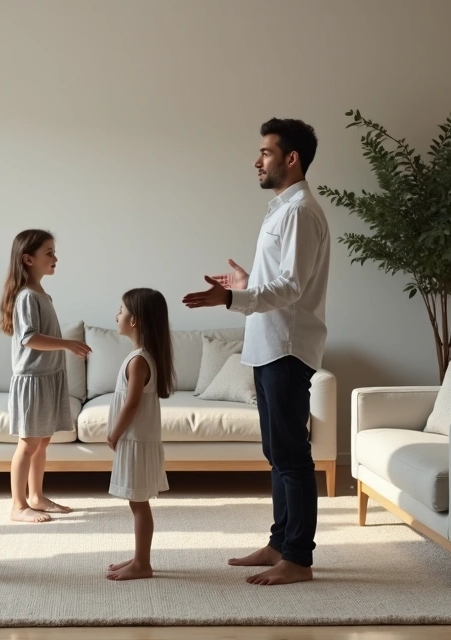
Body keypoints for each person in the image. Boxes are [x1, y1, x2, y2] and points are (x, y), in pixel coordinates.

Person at [183, 118, 330, 586]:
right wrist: (247, 286)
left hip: (287, 348)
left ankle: (299, 559)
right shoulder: (281, 209)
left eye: (265, 152)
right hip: (267, 345)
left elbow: (290, 287)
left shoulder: (301, 212)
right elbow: (277, 284)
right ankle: (279, 543)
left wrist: (230, 299)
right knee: (277, 452)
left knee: (292, 456)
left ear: (291, 159)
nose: (256, 160)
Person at [0, 229, 91, 523]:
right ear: (28, 259)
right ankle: (18, 505)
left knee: (43, 442)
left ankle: (36, 496)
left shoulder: (41, 293)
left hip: (49, 376)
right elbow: (28, 338)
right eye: (49, 253)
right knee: (28, 443)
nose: (55, 258)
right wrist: (66, 344)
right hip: (33, 379)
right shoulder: (27, 296)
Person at [105, 288, 175, 581]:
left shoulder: (139, 361)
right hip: (137, 442)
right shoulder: (141, 356)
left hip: (134, 441)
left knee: (138, 503)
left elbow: (132, 403)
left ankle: (142, 564)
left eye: (121, 310)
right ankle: (138, 557)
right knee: (137, 503)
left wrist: (114, 433)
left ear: (134, 320)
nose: (116, 315)